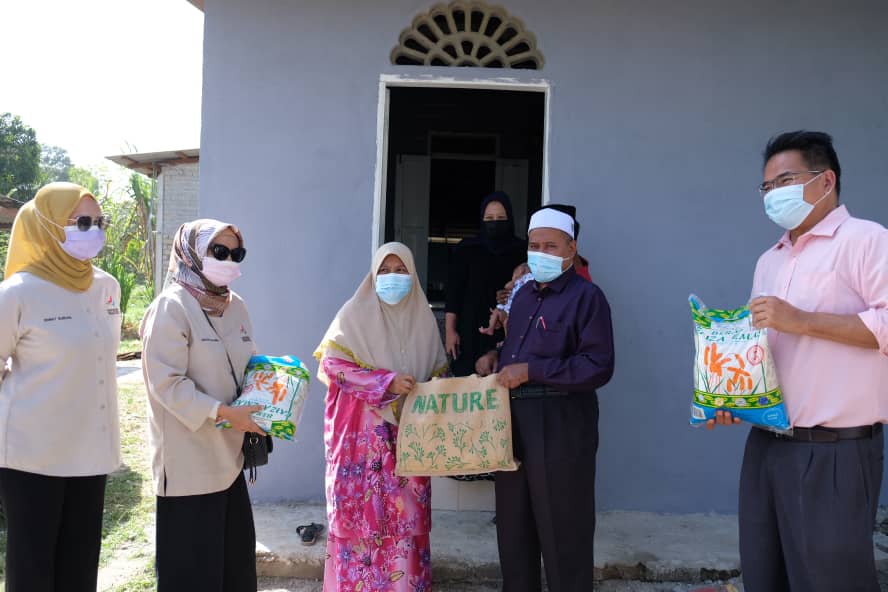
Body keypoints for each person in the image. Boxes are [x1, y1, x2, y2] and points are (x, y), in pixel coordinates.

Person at [710, 131, 888, 592]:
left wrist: (802, 320)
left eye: (785, 181)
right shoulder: (769, 260)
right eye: (767, 186)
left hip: (834, 451)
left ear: (826, 181)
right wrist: (730, 396)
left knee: (831, 579)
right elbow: (762, 346)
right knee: (765, 573)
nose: (774, 194)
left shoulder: (866, 240)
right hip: (766, 445)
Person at [475, 205, 615, 592]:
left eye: (551, 246)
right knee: (514, 529)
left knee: (564, 530)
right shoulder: (523, 296)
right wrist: (497, 357)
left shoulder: (588, 298)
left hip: (561, 422)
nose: (541, 254)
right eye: (534, 246)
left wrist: (532, 370)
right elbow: (519, 349)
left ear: (572, 248)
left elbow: (598, 366)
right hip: (513, 422)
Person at [0, 182, 121, 592]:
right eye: (81, 222)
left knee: (80, 566)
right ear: (47, 225)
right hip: (33, 457)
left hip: (91, 453)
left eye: (100, 222)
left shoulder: (106, 287)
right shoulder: (18, 293)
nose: (94, 231)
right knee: (32, 570)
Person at [315, 242, 448, 592]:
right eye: (385, 271)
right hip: (361, 444)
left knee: (405, 524)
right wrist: (385, 382)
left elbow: (438, 374)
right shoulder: (353, 314)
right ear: (373, 275)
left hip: (407, 443)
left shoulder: (423, 321)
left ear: (413, 275)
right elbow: (332, 365)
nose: (393, 277)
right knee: (360, 526)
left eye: (401, 270)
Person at [141, 219, 263, 592]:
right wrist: (224, 413)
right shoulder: (171, 307)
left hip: (230, 462)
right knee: (192, 578)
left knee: (235, 574)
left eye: (237, 254)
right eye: (219, 251)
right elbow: (166, 384)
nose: (228, 261)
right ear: (192, 252)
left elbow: (250, 364)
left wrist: (273, 394)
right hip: (188, 467)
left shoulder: (236, 306)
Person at [445, 191, 526, 376]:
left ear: (510, 219)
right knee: (467, 378)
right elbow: (454, 294)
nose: (495, 223)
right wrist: (450, 330)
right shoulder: (466, 249)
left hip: (507, 325)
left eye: (501, 218)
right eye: (489, 218)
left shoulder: (522, 251)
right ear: (482, 219)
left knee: (503, 377)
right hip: (469, 327)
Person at [480, 261, 532, 336]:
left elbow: (507, 286)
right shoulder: (517, 282)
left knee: (506, 322)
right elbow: (506, 289)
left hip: (516, 309)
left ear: (521, 272)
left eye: (514, 274)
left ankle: (506, 338)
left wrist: (514, 281)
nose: (513, 276)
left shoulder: (526, 280)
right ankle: (491, 328)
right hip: (509, 306)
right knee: (497, 313)